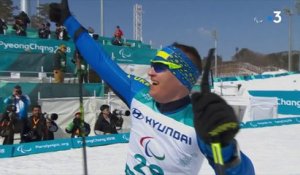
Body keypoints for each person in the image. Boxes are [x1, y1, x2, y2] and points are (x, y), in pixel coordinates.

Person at [49, 1, 255, 174]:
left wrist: (225, 148)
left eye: (159, 67)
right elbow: (101, 60)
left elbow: (230, 167)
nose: (150, 72)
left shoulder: (198, 122)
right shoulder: (139, 94)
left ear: (181, 77)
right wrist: (69, 20)